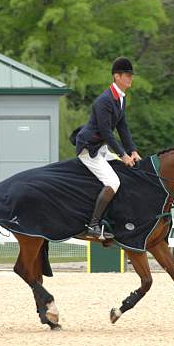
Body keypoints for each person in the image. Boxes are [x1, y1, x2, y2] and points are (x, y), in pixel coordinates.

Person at [75, 57, 141, 239]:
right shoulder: (104, 100)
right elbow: (106, 133)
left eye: (131, 75)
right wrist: (122, 154)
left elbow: (123, 127)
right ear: (116, 76)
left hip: (101, 148)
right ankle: (93, 226)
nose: (130, 78)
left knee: (123, 172)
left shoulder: (120, 98)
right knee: (113, 182)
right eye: (127, 75)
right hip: (90, 149)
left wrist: (133, 151)